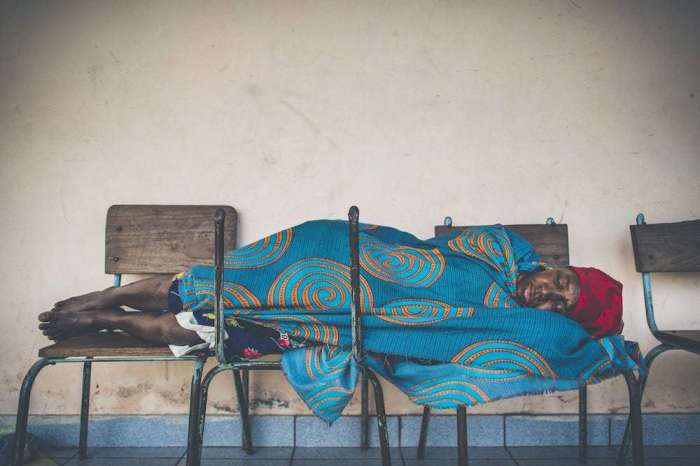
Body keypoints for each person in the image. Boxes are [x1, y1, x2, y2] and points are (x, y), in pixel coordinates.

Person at [38, 219, 623, 356]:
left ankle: (107, 319)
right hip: (359, 262)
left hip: (351, 321)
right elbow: (428, 256)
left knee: (218, 330)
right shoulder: (499, 247)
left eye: (557, 304)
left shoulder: (515, 323)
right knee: (239, 277)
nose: (544, 293)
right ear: (555, 264)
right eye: (559, 281)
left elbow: (444, 329)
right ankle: (100, 300)